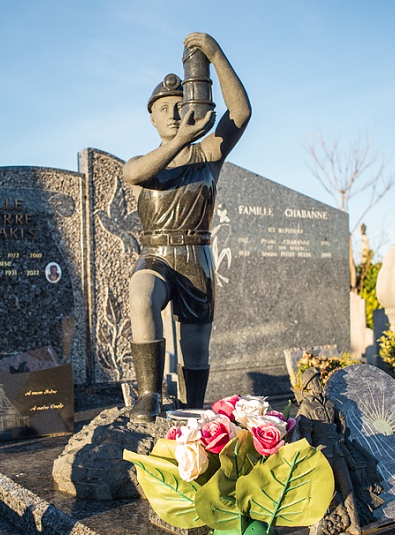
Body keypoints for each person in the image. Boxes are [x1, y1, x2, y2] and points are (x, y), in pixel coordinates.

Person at [123, 33, 251, 423]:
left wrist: (215, 54)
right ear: (152, 117)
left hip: (196, 255)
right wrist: (180, 140)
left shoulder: (208, 155)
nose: (174, 114)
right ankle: (149, 394)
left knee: (195, 346)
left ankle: (191, 407)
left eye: (181, 106)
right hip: (157, 254)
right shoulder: (143, 161)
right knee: (141, 296)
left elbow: (241, 113)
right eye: (164, 108)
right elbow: (134, 174)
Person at [298, 368, 362, 535]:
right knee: (327, 489)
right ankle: (340, 515)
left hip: (338, 451)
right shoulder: (306, 406)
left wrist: (341, 435)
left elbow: (341, 418)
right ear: (308, 385)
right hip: (321, 454)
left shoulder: (329, 402)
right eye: (315, 381)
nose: (318, 384)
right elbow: (306, 434)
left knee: (347, 486)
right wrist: (310, 456)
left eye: (319, 380)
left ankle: (355, 523)